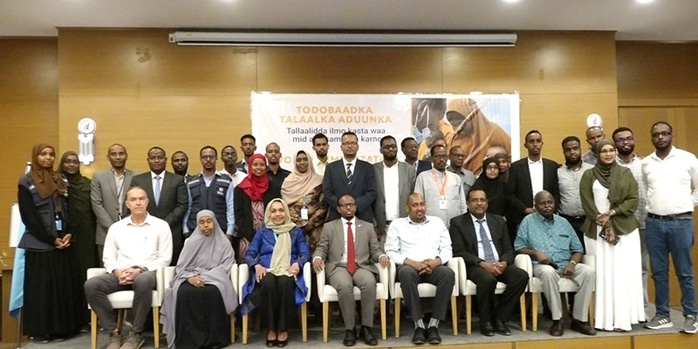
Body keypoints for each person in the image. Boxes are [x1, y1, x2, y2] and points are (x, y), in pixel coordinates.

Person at [84, 186, 173, 349]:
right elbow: (108, 258)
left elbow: (165, 258)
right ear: (127, 204)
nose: (138, 202)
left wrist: (139, 270)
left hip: (147, 273)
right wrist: (118, 272)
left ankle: (136, 333)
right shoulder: (116, 228)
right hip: (120, 274)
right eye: (133, 200)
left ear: (147, 201)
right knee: (91, 285)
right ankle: (114, 333)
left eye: (141, 199)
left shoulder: (161, 226)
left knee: (143, 280)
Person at [18, 144, 83, 343]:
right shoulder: (26, 181)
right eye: (43, 154)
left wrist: (69, 233)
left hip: (63, 242)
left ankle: (64, 329)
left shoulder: (60, 180)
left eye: (51, 154)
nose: (48, 158)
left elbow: (70, 209)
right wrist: (50, 239)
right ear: (35, 156)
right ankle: (41, 331)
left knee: (63, 287)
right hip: (40, 244)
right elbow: (28, 216)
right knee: (42, 290)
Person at [580, 139, 644, 331]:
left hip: (625, 232)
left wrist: (613, 213)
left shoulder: (626, 173)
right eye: (604, 151)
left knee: (622, 275)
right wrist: (605, 222)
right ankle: (603, 319)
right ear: (597, 154)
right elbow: (587, 202)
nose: (608, 154)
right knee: (602, 275)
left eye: (611, 150)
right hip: (598, 231)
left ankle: (623, 319)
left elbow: (633, 200)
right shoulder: (589, 175)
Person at [514, 191, 596, 337]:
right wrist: (535, 253)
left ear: (554, 203)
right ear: (536, 206)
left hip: (565, 264)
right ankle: (557, 319)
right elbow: (518, 247)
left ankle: (579, 320)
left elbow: (578, 250)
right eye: (542, 203)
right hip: (542, 266)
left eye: (549, 202)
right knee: (548, 272)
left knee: (588, 272)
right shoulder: (528, 221)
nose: (547, 206)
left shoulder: (563, 222)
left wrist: (572, 264)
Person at [642, 121, 698, 333]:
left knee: (684, 272)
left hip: (681, 222)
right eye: (656, 134)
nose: (661, 137)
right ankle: (663, 314)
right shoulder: (646, 163)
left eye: (665, 133)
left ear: (671, 136)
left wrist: (686, 204)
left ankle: (691, 315)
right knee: (659, 272)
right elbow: (647, 191)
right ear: (652, 138)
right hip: (655, 223)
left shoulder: (687, 158)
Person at [313, 194, 390, 346]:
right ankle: (350, 329)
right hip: (338, 267)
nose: (348, 207)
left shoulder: (367, 227)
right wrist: (317, 258)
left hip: (361, 265)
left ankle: (366, 328)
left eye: (351, 204)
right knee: (344, 285)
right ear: (338, 209)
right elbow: (322, 248)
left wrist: (381, 255)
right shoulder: (330, 227)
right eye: (344, 205)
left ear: (356, 206)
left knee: (368, 283)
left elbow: (374, 250)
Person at [449, 189, 528, 337]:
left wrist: (504, 262)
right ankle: (484, 321)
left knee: (521, 276)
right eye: (475, 200)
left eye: (482, 200)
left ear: (487, 203)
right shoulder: (457, 222)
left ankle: (499, 317)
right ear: (467, 204)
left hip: (499, 263)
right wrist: (483, 264)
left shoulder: (498, 220)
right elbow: (459, 251)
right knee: (487, 279)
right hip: (475, 265)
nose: (479, 203)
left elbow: (508, 248)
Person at [161, 210, 237, 349]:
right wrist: (190, 278)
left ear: (214, 222)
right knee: (183, 292)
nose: (206, 225)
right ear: (197, 225)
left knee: (214, 292)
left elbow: (226, 266)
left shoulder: (224, 242)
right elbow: (181, 267)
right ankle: (188, 340)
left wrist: (204, 277)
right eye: (202, 222)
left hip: (215, 279)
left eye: (209, 221)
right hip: (190, 277)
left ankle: (214, 340)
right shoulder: (191, 242)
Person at [385, 193, 454, 345]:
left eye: (422, 204)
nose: (419, 208)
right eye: (415, 205)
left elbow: (447, 249)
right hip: (410, 266)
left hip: (433, 267)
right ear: (407, 208)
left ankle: (434, 325)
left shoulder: (437, 222)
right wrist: (413, 263)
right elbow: (390, 251)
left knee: (448, 274)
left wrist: (435, 262)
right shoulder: (397, 225)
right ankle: (419, 325)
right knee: (405, 273)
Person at [241, 199, 310, 347]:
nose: (277, 214)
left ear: (286, 212)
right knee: (268, 282)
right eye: (273, 211)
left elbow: (305, 253)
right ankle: (271, 329)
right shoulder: (262, 232)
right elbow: (249, 254)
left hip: (288, 270)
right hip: (267, 270)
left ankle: (283, 329)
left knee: (285, 282)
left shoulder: (296, 232)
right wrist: (256, 266)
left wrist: (298, 263)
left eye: (281, 210)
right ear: (268, 214)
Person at [59, 150, 98, 328]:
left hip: (86, 235)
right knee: (67, 277)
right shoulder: (56, 182)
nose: (71, 165)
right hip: (63, 237)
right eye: (67, 162)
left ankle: (87, 319)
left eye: (75, 162)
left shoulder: (86, 183)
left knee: (85, 275)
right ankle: (69, 321)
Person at [612, 126, 649, 311]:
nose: (625, 142)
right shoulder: (612, 167)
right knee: (621, 268)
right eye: (620, 140)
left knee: (642, 267)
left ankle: (641, 307)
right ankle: (623, 309)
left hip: (643, 222)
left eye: (628, 138)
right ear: (615, 144)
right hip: (620, 224)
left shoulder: (644, 164)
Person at [132, 147, 188, 265]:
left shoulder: (177, 180)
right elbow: (133, 204)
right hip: (144, 232)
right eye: (153, 158)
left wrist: (164, 224)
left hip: (171, 231)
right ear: (148, 160)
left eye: (160, 158)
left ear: (166, 160)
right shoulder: (138, 180)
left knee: (170, 269)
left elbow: (182, 205)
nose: (156, 161)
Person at [506, 130, 559, 244]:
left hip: (548, 216)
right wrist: (525, 209)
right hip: (524, 216)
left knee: (548, 245)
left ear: (542, 144)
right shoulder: (516, 167)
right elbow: (509, 194)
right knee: (526, 248)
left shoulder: (552, 166)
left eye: (538, 141)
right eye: (531, 141)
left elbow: (556, 192)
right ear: (526, 145)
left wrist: (551, 209)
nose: (535, 144)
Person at [437, 98, 511, 174]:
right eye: (454, 125)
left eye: (462, 123)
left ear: (472, 118)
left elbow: (511, 153)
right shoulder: (452, 140)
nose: (459, 129)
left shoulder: (492, 131)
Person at [235, 153, 282, 261]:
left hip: (270, 233)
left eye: (261, 165)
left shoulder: (273, 187)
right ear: (250, 166)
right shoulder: (240, 189)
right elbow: (239, 215)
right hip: (247, 235)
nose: (259, 168)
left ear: (266, 167)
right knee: (247, 261)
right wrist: (253, 236)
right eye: (255, 165)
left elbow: (277, 210)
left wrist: (266, 235)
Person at [91, 143, 133, 263]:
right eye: (114, 154)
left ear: (126, 156)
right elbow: (96, 204)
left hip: (131, 232)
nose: (118, 157)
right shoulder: (99, 176)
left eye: (121, 153)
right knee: (106, 272)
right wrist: (113, 228)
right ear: (108, 157)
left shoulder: (136, 176)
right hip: (105, 232)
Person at [323, 131, 377, 222]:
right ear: (341, 147)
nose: (350, 146)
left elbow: (372, 192)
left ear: (357, 146)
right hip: (337, 217)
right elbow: (327, 192)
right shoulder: (331, 168)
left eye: (353, 143)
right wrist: (342, 206)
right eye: (346, 143)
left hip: (362, 216)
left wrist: (354, 206)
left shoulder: (368, 167)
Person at [183, 146, 235, 240]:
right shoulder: (191, 182)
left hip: (220, 232)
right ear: (200, 159)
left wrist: (229, 233)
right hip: (195, 231)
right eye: (204, 157)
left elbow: (230, 209)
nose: (208, 160)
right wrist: (185, 230)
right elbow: (188, 207)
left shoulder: (226, 181)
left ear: (216, 159)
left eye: (211, 157)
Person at [281, 150, 328, 252]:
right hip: (294, 228)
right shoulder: (288, 182)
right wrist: (302, 223)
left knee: (317, 257)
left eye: (305, 159)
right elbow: (285, 206)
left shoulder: (319, 180)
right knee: (296, 256)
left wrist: (311, 223)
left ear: (310, 161)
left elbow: (324, 204)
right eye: (298, 160)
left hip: (316, 228)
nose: (302, 162)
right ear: (295, 162)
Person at [373, 135, 416, 247]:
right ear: (381, 150)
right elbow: (370, 199)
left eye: (393, 146)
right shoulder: (373, 170)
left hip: (405, 224)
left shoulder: (409, 169)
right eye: (387, 147)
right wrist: (374, 224)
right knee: (382, 261)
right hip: (381, 227)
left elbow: (413, 196)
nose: (391, 149)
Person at [414, 144, 466, 228]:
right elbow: (417, 204)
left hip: (455, 226)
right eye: (437, 156)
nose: (441, 159)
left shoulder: (456, 178)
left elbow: (462, 205)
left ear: (447, 157)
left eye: (443, 156)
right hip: (430, 226)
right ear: (431, 158)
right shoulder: (423, 177)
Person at [558, 136, 594, 252]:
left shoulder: (592, 170)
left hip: (588, 221)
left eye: (575, 148)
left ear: (580, 149)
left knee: (590, 255)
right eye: (568, 149)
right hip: (566, 222)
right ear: (564, 152)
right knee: (569, 254)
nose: (572, 152)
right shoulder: (558, 172)